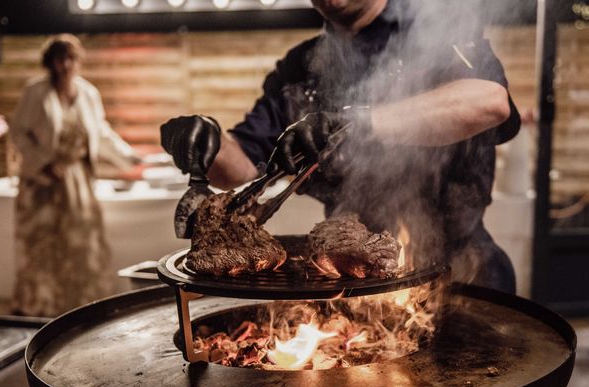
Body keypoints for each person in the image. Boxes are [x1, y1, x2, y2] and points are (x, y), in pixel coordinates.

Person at [161, 0, 522, 297]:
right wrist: (208, 141)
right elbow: (243, 172)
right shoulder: (300, 68)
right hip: (353, 280)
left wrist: (360, 124)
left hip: (463, 273)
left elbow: (490, 102)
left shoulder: (433, 31)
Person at [10, 34, 140, 317]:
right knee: (43, 245)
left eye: (70, 58)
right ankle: (40, 307)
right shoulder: (36, 92)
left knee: (82, 243)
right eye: (60, 59)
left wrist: (130, 156)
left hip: (77, 180)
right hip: (42, 181)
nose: (65, 65)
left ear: (78, 61)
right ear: (51, 62)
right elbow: (18, 132)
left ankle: (80, 305)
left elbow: (101, 132)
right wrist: (44, 164)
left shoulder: (88, 93)